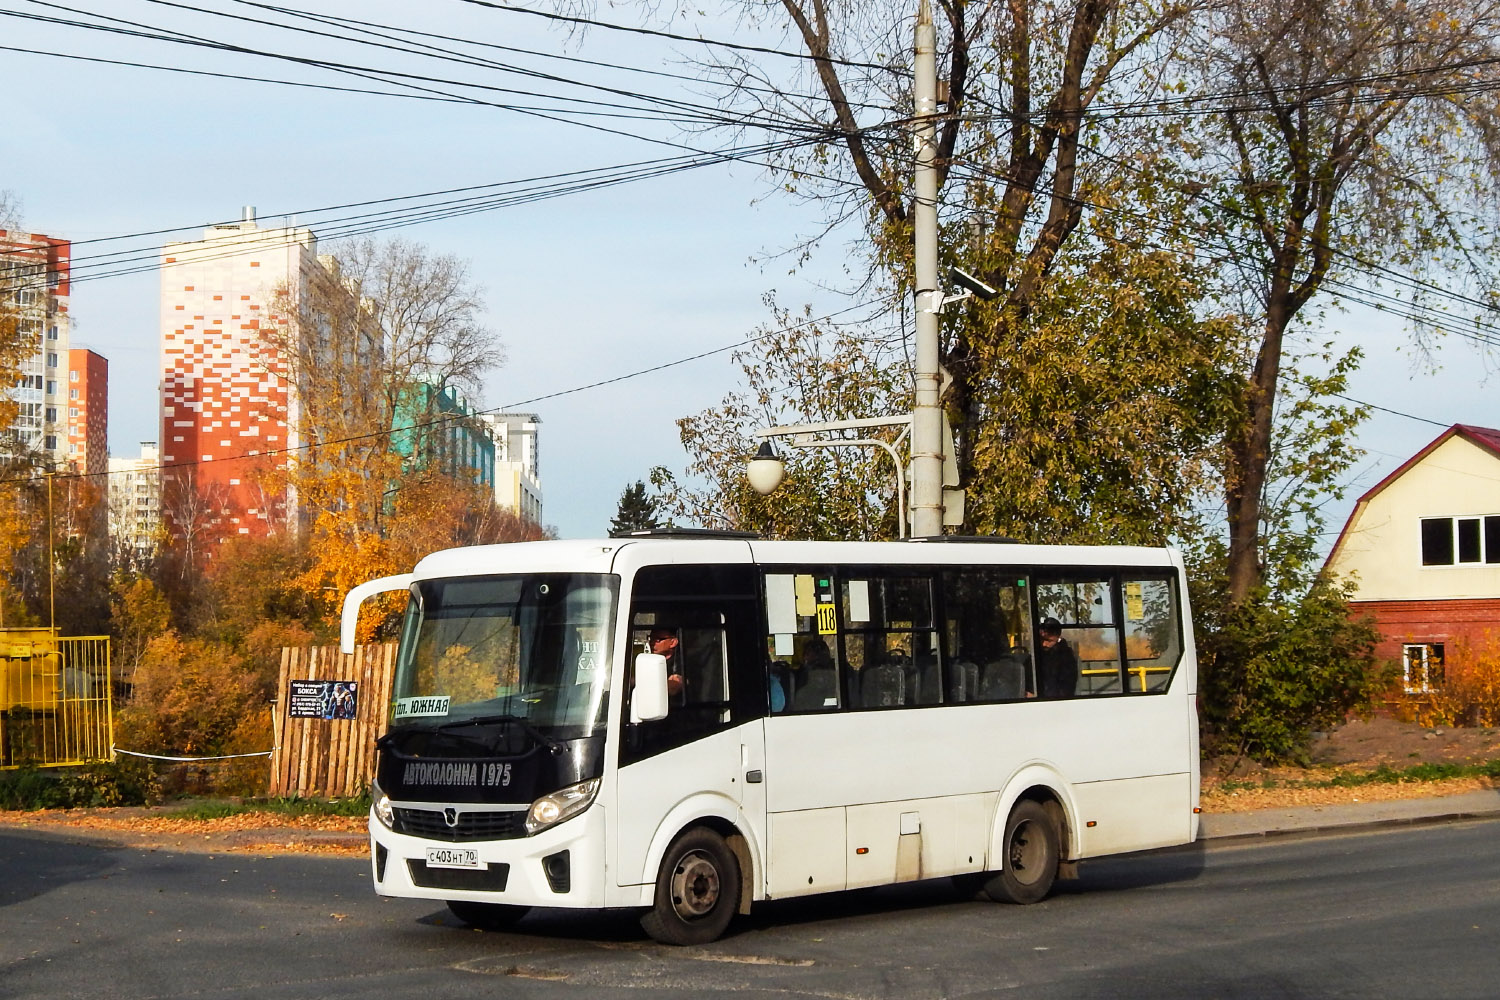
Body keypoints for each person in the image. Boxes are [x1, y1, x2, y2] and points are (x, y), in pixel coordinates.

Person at [1035, 617, 1078, 699]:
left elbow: (1066, 687)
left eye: (1049, 640)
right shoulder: (1036, 654)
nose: (1044, 644)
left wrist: (1037, 696)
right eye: (1041, 639)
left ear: (1058, 638)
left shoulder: (1066, 657)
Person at [648, 628, 686, 697]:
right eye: (651, 638)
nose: (652, 643)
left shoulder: (682, 662)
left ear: (673, 642)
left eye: (657, 639)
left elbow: (674, 686)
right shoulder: (649, 661)